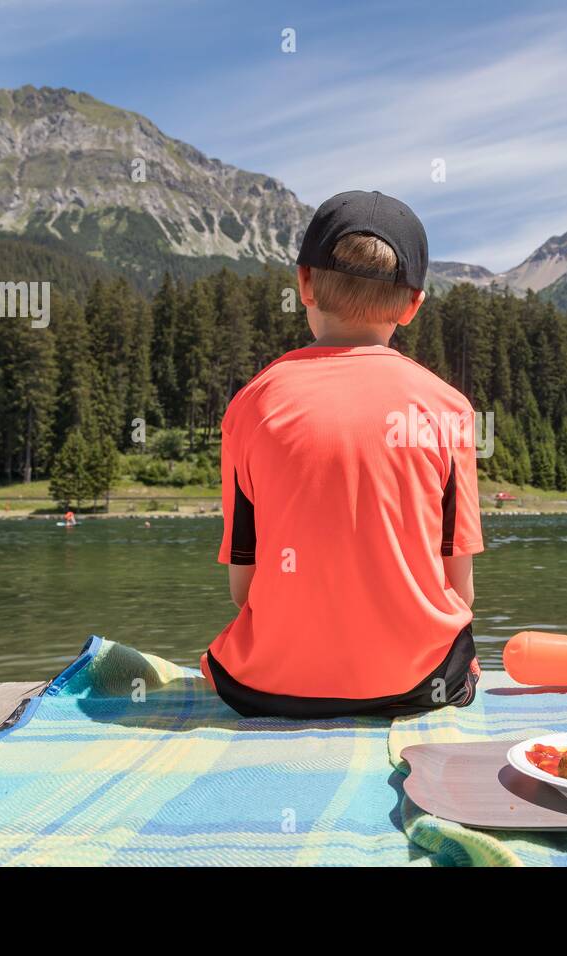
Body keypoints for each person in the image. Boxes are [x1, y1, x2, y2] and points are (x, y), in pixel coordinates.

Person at [199, 190, 483, 718]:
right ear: (414, 303)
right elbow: (458, 593)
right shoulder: (449, 409)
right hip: (419, 686)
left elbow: (244, 591)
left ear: (304, 283)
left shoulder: (249, 407)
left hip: (266, 689)